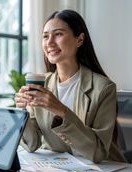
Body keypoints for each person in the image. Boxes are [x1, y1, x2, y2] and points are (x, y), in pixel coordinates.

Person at [15, 9, 126, 163]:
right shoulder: (42, 84)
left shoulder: (104, 88)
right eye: (45, 36)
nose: (49, 42)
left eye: (58, 34)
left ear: (79, 40)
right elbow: (32, 144)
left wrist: (61, 111)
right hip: (60, 170)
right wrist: (22, 112)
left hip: (104, 171)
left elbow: (98, 152)